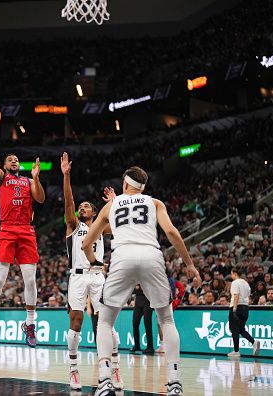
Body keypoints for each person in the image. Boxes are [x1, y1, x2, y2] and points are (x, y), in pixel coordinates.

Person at [82, 166, 200, 396]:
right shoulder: (155, 203)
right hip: (151, 255)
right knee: (166, 319)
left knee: (105, 321)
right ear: (143, 187)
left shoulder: (111, 206)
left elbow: (87, 242)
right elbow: (172, 233)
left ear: (125, 184)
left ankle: (105, 380)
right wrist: (189, 264)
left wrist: (95, 262)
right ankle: (174, 382)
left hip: (122, 257)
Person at [0, 123, 45, 348]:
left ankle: (30, 325)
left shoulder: (28, 181)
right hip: (6, 229)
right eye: (10, 159)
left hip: (26, 229)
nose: (14, 161)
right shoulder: (0, 179)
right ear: (5, 165)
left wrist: (36, 177)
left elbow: (40, 199)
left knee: (30, 280)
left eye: (16, 159)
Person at [61, 153, 121, 391]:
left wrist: (115, 202)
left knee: (105, 323)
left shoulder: (102, 227)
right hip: (77, 276)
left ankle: (114, 368)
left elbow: (119, 221)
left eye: (86, 206)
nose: (81, 208)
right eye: (81, 206)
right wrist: (66, 176)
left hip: (98, 276)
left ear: (95, 213)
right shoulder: (73, 225)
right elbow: (68, 203)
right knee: (76, 321)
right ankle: (74, 370)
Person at [228, 267, 260, 357]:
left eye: (231, 274)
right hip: (245, 308)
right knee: (241, 329)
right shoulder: (246, 283)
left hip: (237, 307)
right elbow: (248, 297)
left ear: (234, 273)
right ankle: (253, 342)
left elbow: (236, 296)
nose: (231, 276)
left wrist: (234, 309)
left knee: (234, 330)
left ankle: (236, 351)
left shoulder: (235, 282)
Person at [130, 284, 154, 355]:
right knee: (135, 323)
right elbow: (133, 289)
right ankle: (137, 345)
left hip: (148, 300)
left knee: (147, 323)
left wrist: (139, 288)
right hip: (138, 300)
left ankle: (150, 347)